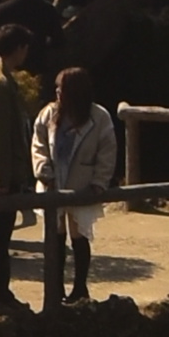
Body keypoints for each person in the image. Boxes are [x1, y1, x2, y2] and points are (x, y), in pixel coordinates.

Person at [36, 65, 125, 303]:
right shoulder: (49, 114)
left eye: (61, 89)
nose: (57, 93)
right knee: (55, 236)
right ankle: (55, 288)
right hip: (54, 183)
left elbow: (108, 150)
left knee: (79, 235)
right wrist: (44, 170)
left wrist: (99, 182)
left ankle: (80, 288)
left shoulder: (99, 117)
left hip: (81, 183)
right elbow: (39, 144)